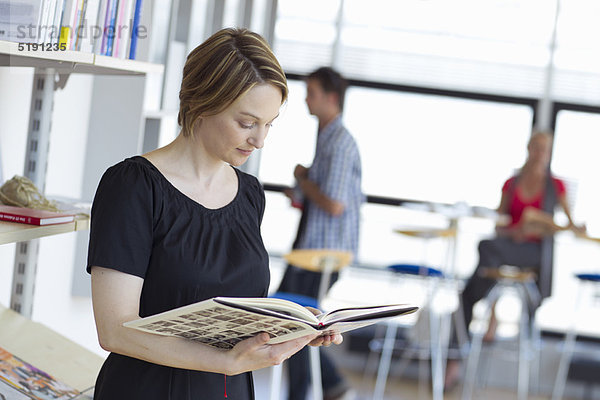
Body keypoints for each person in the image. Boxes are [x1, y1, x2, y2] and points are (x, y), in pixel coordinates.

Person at [86, 28, 342, 400]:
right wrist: (224, 362)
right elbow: (114, 330)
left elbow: (237, 314)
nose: (260, 140)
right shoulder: (132, 186)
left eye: (268, 124)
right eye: (247, 122)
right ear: (203, 103)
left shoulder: (251, 194)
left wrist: (295, 331)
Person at [444, 130, 585, 390]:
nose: (541, 153)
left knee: (483, 259)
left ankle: (490, 313)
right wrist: (514, 231)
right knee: (473, 278)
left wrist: (545, 227)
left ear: (550, 153)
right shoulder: (512, 182)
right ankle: (458, 357)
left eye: (546, 149)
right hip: (507, 244)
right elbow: (500, 223)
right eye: (537, 147)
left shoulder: (557, 187)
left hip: (533, 253)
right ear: (529, 148)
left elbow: (568, 225)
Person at [277, 67, 363, 400]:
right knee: (293, 317)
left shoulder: (339, 143)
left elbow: (334, 204)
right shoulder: (326, 136)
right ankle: (330, 385)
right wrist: (302, 189)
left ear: (331, 97)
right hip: (312, 248)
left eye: (311, 92)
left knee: (292, 317)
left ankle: (324, 386)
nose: (306, 99)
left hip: (324, 253)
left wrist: (303, 178)